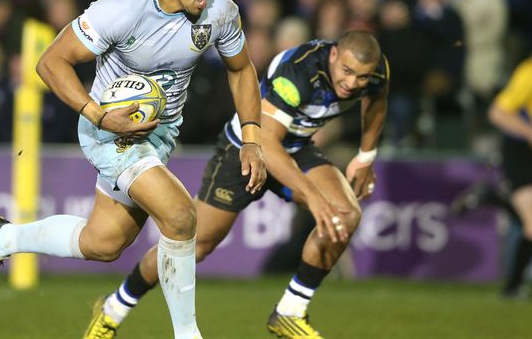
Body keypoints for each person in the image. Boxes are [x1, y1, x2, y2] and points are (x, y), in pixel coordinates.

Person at [0, 0, 267, 339]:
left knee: (103, 243)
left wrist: (252, 138)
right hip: (109, 130)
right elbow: (51, 62)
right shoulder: (122, 9)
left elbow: (242, 69)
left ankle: (3, 239)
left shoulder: (220, 12)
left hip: (159, 132)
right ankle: (188, 334)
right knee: (179, 215)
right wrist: (99, 115)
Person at [87, 30, 389, 339]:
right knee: (194, 245)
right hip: (247, 148)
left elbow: (377, 100)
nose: (352, 83)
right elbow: (267, 145)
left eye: (361, 77)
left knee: (345, 213)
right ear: (334, 55)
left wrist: (366, 156)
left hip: (296, 147)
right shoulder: (298, 70)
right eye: (347, 72)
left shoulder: (376, 73)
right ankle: (113, 309)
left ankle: (290, 311)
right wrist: (313, 199)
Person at [456, 13, 532, 298]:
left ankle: (493, 197)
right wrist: (531, 132)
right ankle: (512, 288)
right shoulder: (531, 71)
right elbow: (498, 112)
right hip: (519, 149)